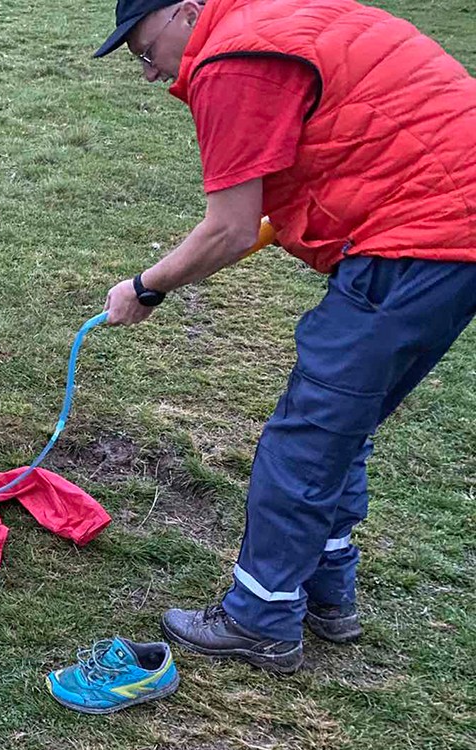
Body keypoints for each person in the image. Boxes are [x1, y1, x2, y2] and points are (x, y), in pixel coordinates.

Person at [86, 0, 476, 680]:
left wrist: (146, 286)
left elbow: (230, 227)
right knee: (342, 428)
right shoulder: (276, 18)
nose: (150, 74)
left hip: (416, 235)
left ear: (186, 11)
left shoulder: (229, 60)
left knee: (305, 441)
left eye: (146, 52)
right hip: (454, 231)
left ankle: (261, 620)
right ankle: (328, 594)